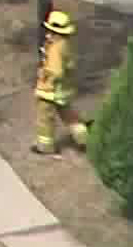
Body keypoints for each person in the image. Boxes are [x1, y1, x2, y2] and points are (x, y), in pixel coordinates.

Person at [34, 9, 91, 155]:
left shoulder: (55, 48)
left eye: (50, 31)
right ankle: (84, 139)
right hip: (63, 90)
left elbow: (56, 71)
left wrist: (45, 75)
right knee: (70, 116)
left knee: (45, 119)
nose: (48, 34)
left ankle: (45, 147)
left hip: (50, 91)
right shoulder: (64, 45)